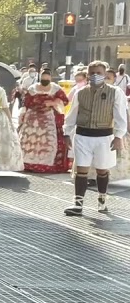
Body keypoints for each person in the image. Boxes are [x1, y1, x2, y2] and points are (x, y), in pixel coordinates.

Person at [62, 61, 129, 216]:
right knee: (81, 170)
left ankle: (102, 200)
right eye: (91, 73)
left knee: (102, 170)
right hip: (83, 135)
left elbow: (120, 116)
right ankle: (78, 204)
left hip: (104, 136)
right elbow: (72, 115)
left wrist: (119, 136)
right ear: (87, 75)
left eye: (98, 73)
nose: (94, 76)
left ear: (104, 74)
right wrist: (67, 133)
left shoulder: (115, 92)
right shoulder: (81, 92)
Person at [19, 68, 72, 174]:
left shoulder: (55, 89)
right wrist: (23, 115)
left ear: (50, 79)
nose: (45, 81)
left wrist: (53, 102)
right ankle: (27, 162)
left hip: (49, 117)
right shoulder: (32, 88)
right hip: (32, 117)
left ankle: (47, 163)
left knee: (48, 140)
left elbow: (65, 101)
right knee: (31, 140)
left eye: (47, 79)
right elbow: (26, 102)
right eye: (43, 79)